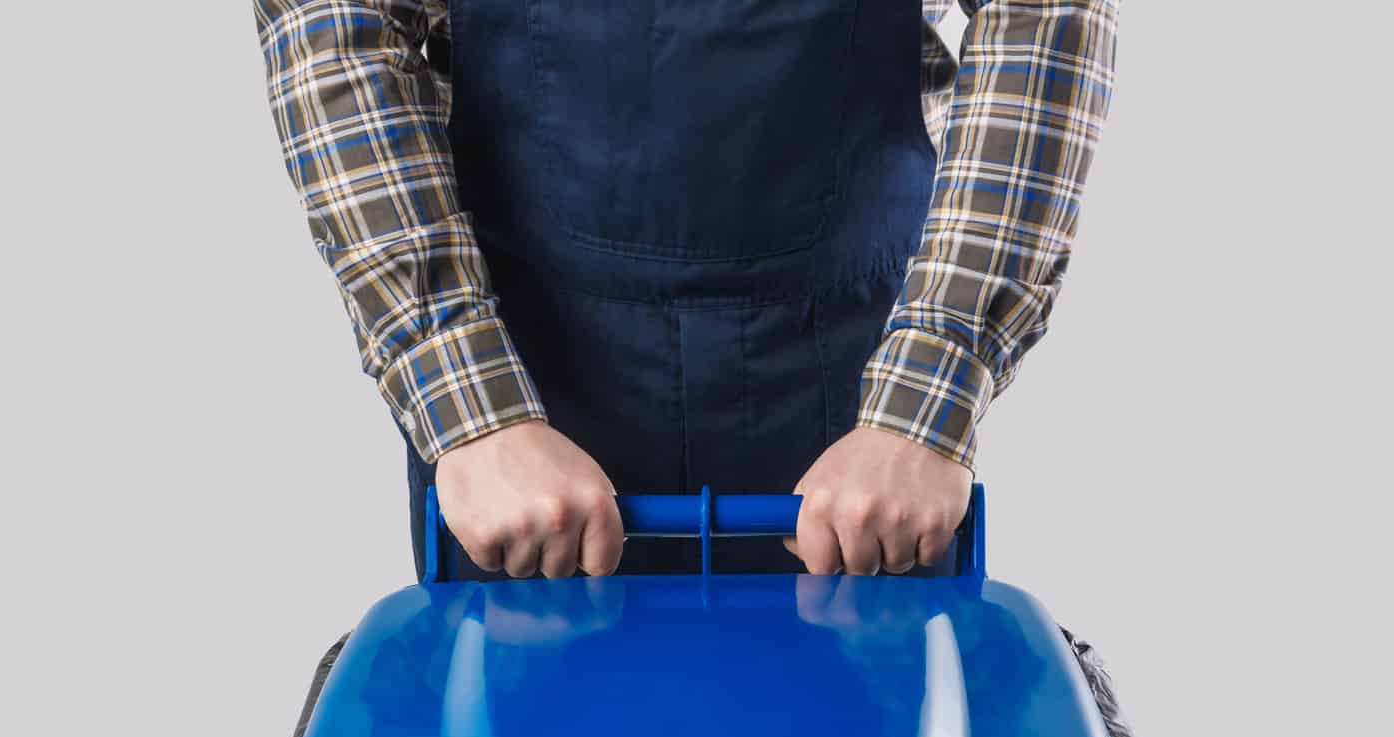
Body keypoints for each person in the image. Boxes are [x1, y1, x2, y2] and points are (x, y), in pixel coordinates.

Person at [253, 1, 1118, 579]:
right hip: (527, 401)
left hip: (854, 399)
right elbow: (337, 20)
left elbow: (1045, 12)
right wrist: (466, 403)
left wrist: (932, 395)